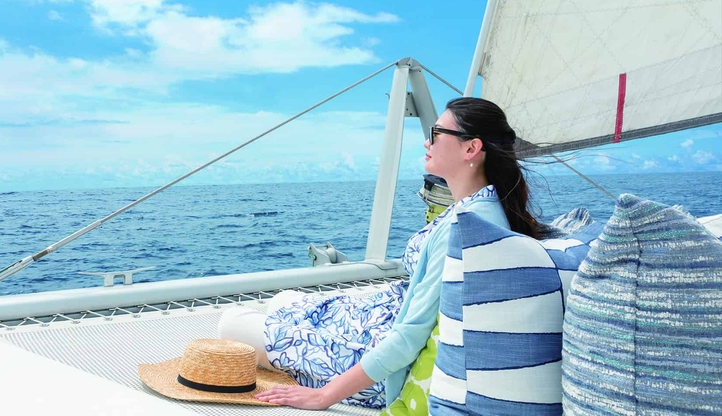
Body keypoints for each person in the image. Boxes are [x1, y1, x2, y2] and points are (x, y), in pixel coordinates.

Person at [218, 97, 540, 410]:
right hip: (375, 320)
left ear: (471, 149)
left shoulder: (463, 229)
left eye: (436, 133)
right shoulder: (483, 208)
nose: (427, 142)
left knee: (231, 323)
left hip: (377, 357)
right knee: (282, 300)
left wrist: (324, 396)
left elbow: (408, 338)